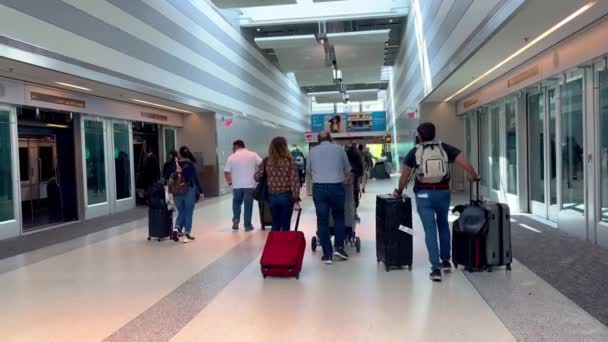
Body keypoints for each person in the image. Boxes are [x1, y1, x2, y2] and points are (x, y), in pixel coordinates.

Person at [394, 123, 479, 282]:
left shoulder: (415, 151)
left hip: (423, 195)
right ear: (434, 133)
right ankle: (446, 261)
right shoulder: (444, 148)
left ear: (419, 136)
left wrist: (399, 191)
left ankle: (435, 269)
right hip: (442, 193)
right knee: (442, 225)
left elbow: (405, 175)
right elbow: (463, 161)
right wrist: (474, 175)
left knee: (430, 230)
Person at [307, 131, 351, 264]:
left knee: (322, 220)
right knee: (338, 217)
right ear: (330, 139)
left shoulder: (312, 151)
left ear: (318, 140)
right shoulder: (339, 149)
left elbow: (308, 171)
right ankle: (339, 247)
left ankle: (327, 254)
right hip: (336, 187)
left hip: (319, 188)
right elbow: (347, 169)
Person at [255, 137, 301, 231]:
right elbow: (295, 181)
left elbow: (256, 177)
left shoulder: (266, 161)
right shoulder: (290, 161)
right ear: (285, 147)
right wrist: (296, 198)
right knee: (286, 224)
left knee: (275, 223)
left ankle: (275, 244)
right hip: (286, 196)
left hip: (272, 197)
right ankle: (284, 244)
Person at [164, 146, 204, 243]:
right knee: (188, 213)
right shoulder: (190, 164)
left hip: (176, 191)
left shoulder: (173, 164)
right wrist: (201, 192)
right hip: (189, 190)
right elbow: (195, 179)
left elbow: (165, 176)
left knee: (181, 212)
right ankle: (186, 235)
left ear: (179, 154)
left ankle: (176, 229)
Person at [224, 140, 262, 231]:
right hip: (249, 185)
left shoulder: (231, 157)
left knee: (236, 203)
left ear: (237, 146)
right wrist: (257, 173)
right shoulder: (253, 154)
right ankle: (247, 225)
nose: (232, 149)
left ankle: (236, 219)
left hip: (237, 186)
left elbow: (226, 172)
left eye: (233, 147)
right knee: (248, 205)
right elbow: (262, 164)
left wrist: (229, 182)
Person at [346, 143, 364, 221]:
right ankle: (354, 210)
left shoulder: (345, 153)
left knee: (347, 192)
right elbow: (360, 165)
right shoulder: (357, 153)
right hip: (355, 175)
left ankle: (348, 209)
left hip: (346, 176)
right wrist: (361, 176)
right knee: (355, 192)